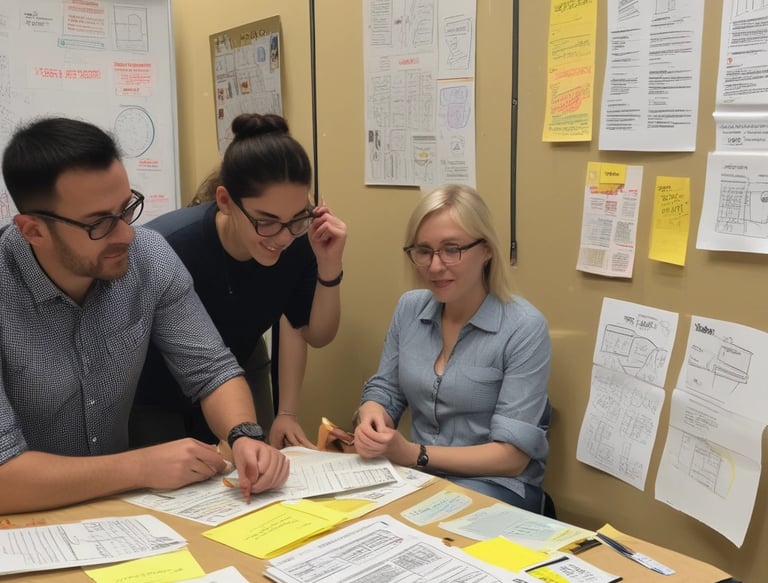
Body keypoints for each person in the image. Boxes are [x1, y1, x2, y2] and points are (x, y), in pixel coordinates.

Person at [0, 117, 289, 514]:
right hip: (25, 523)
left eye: (126, 209)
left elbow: (212, 369)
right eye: (100, 223)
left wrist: (243, 435)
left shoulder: (148, 257)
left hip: (118, 514)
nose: (126, 235)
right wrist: (140, 465)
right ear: (33, 230)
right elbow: (4, 478)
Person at [133, 113, 346, 449]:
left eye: (296, 220)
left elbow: (314, 332)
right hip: (155, 384)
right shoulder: (169, 246)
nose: (283, 237)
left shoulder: (298, 240)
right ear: (225, 202)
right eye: (267, 222)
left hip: (239, 366)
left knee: (253, 466)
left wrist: (329, 266)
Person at [353, 184, 552, 513]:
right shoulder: (409, 308)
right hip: (418, 477)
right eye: (424, 251)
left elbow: (512, 457)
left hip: (496, 485)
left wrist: (415, 454)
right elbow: (385, 388)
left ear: (486, 250)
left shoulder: (524, 327)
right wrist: (372, 413)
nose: (434, 266)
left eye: (451, 249)